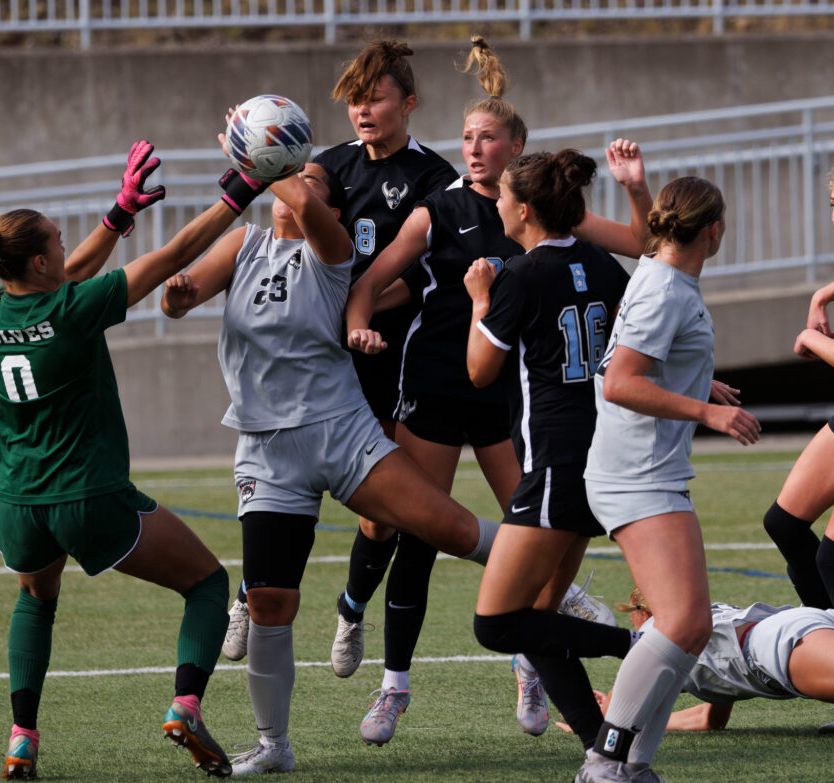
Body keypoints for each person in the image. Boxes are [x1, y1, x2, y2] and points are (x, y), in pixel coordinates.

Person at [340, 37, 651, 747]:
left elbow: (636, 242)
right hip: (440, 387)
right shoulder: (438, 207)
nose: (475, 149)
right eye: (468, 138)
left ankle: (535, 662)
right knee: (418, 528)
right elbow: (373, 281)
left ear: (517, 149)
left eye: (489, 139)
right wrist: (359, 325)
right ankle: (395, 683)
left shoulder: (546, 219)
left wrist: (635, 186)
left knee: (528, 564)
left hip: (509, 399)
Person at [160, 160, 500, 775]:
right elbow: (179, 299)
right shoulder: (246, 242)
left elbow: (312, 211)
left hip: (340, 432)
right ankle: (274, 746)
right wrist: (179, 294)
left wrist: (266, 163)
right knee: (268, 601)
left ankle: (565, 584)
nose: (299, 186)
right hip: (266, 447)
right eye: (294, 176)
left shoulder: (333, 250)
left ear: (335, 209)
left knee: (448, 528)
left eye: (313, 180)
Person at [0, 141, 262, 779]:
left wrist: (116, 217)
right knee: (209, 584)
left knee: (36, 601)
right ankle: (186, 705)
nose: (66, 243)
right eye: (58, 237)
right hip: (88, 494)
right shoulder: (75, 310)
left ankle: (22, 737)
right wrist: (244, 188)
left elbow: (64, 275)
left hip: (21, 500)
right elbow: (174, 255)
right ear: (42, 258)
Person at [219, 40, 459, 666]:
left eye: (374, 98)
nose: (362, 110)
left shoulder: (435, 179)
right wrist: (267, 152)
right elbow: (301, 193)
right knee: (282, 492)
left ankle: (350, 609)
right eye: (353, 100)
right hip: (321, 358)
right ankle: (247, 595)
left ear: (408, 103)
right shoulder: (330, 165)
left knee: (382, 516)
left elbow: (422, 275)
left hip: (387, 353)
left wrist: (357, 303)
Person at [465, 145, 652, 756]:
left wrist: (478, 301)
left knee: (496, 623)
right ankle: (603, 749)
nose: (495, 202)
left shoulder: (519, 275)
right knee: (543, 618)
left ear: (523, 209)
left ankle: (644, 648)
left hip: (553, 458)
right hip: (602, 450)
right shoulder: (600, 263)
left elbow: (479, 372)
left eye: (502, 197)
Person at [576, 176, 762, 783]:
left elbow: (640, 357)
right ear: (713, 230)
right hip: (637, 475)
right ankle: (605, 759)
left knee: (685, 624)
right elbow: (621, 381)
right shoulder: (666, 288)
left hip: (643, 472)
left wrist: (696, 380)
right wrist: (707, 411)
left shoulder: (660, 273)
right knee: (682, 622)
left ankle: (634, 765)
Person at [759, 158, 834, 731]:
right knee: (783, 523)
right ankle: (826, 640)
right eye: (833, 203)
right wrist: (820, 297)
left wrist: (808, 335)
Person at [577, 587, 834, 734]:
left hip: (777, 645)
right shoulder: (700, 626)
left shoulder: (658, 631)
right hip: (809, 622)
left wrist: (592, 714)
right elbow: (710, 718)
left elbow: (619, 711)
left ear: (639, 614)